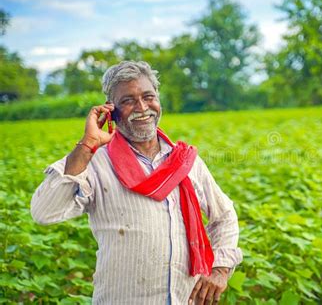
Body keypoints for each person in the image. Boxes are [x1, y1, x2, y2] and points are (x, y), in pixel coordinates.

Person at [31, 60, 243, 305]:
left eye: (148, 96)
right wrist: (87, 144)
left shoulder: (186, 161)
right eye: (128, 100)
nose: (142, 107)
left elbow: (225, 215)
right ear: (111, 110)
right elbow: (44, 213)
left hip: (186, 298)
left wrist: (220, 268)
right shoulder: (93, 163)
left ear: (158, 100)